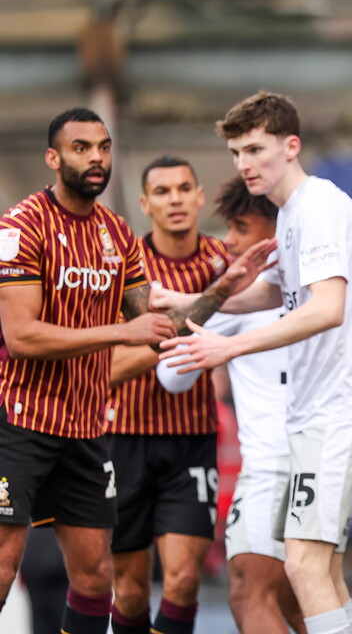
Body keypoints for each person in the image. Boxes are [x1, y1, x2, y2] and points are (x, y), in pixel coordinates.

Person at [0, 108, 273, 634]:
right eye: (82, 148)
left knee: (97, 579)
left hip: (86, 432)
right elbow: (23, 336)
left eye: (103, 147)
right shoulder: (21, 226)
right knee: (6, 568)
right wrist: (119, 333)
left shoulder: (115, 234)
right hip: (21, 423)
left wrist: (222, 290)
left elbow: (160, 325)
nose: (97, 157)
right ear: (53, 158)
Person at [158, 91, 352, 634]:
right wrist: (188, 302)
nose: (244, 164)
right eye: (237, 152)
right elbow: (270, 296)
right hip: (316, 415)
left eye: (255, 149)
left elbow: (328, 309)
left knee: (304, 568)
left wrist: (227, 347)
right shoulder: (291, 215)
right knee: (321, 571)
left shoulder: (318, 208)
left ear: (291, 145)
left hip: (334, 412)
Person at [156, 176, 306, 634]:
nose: (231, 240)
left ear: (277, 231)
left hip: (275, 464)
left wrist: (217, 302)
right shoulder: (326, 286)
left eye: (242, 227)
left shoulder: (244, 296)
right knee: (304, 592)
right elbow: (173, 375)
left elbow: (170, 376)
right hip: (322, 456)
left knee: (246, 590)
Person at [103, 155, 237, 634]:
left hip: (192, 439)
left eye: (184, 188)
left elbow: (274, 323)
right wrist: (176, 340)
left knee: (182, 580)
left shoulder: (225, 265)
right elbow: (106, 369)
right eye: (162, 192)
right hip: (123, 439)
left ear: (200, 197)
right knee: (132, 589)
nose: (175, 199)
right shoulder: (121, 270)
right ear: (145, 204)